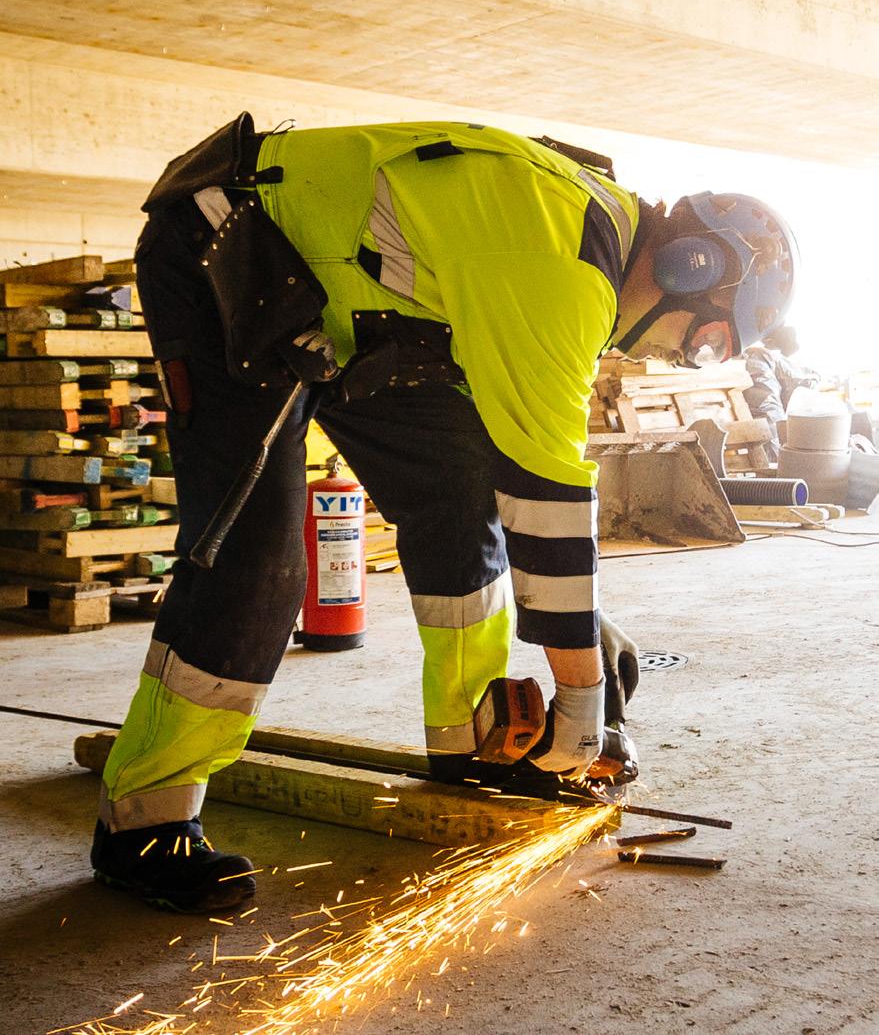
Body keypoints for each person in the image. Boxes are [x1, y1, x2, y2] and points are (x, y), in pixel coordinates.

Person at [90, 116, 798, 912]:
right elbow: (546, 484)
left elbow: (517, 477)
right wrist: (580, 694)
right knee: (255, 556)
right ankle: (143, 818)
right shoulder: (559, 265)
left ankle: (476, 745)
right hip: (226, 246)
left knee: (462, 504)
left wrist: (578, 638)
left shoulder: (581, 247)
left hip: (346, 306)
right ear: (686, 265)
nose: (672, 356)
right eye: (699, 341)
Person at [744, 324, 818, 460]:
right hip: (765, 416)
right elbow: (767, 408)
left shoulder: (764, 355)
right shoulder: (760, 356)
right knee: (771, 416)